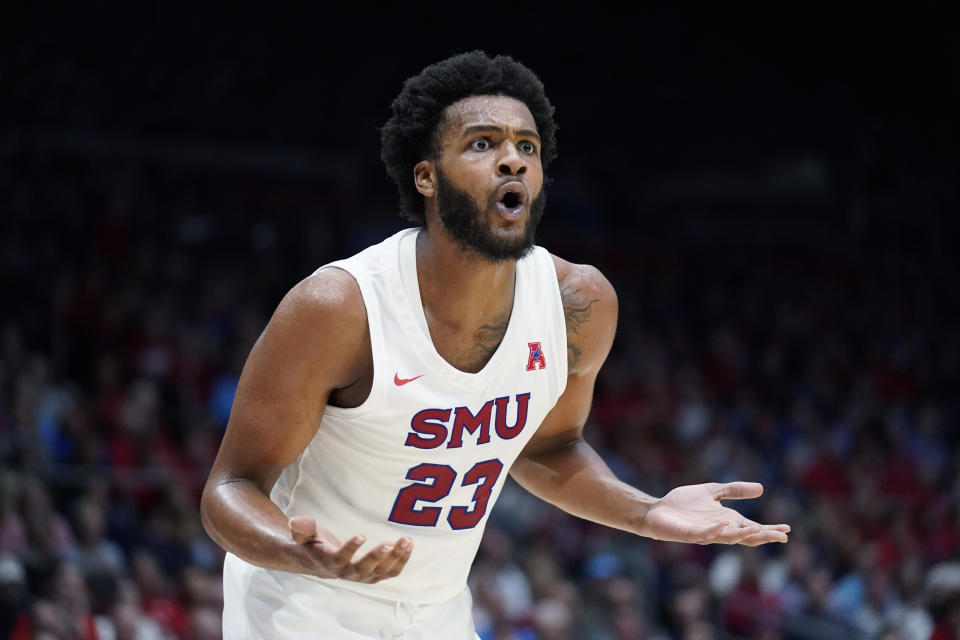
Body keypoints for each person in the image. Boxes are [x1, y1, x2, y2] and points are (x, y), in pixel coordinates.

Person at [199, 50, 791, 639]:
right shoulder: (339, 307)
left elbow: (548, 448)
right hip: (304, 603)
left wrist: (646, 510)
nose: (512, 160)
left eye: (526, 147)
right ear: (426, 175)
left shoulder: (578, 305)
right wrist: (304, 552)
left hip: (439, 612)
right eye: (483, 144)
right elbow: (230, 489)